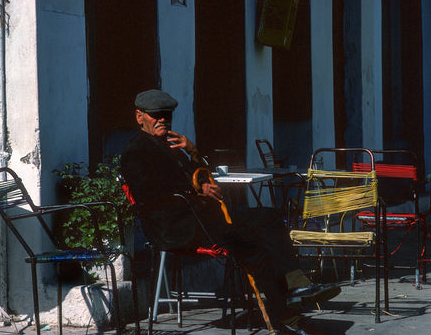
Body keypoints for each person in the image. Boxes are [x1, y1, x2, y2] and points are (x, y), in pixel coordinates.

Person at [120, 89, 341, 334]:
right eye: (155, 115)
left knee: (268, 216)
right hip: (177, 228)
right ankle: (287, 315)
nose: (162, 119)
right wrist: (197, 194)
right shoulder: (135, 151)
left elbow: (202, 175)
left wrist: (192, 152)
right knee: (254, 246)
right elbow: (150, 198)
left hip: (202, 219)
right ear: (140, 117)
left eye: (167, 115)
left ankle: (295, 285)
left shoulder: (171, 145)